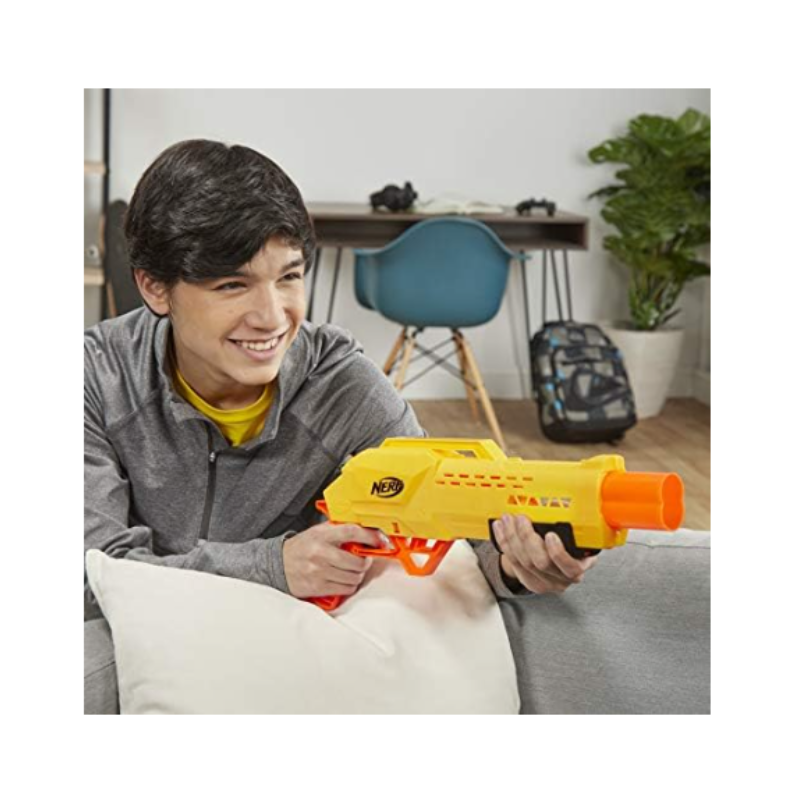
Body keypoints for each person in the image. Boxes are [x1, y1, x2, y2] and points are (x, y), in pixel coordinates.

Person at [84, 139, 597, 620]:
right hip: (130, 639)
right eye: (232, 285)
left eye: (289, 277)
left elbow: (459, 520)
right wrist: (273, 567)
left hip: (282, 643)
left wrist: (517, 563)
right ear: (154, 287)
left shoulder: (342, 386)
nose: (273, 317)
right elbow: (90, 579)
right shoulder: (95, 376)